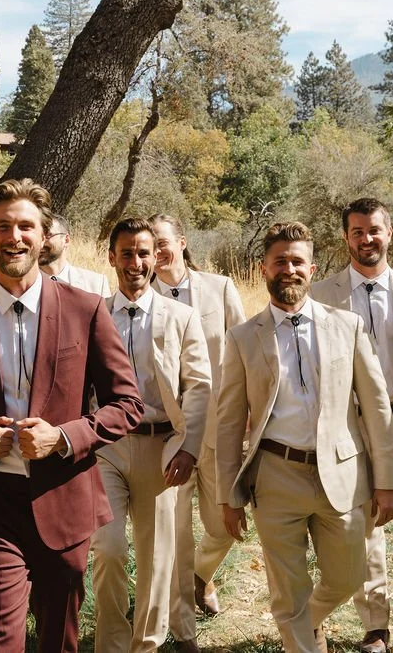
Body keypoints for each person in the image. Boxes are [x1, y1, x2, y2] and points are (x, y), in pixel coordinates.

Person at [0, 178, 143, 652]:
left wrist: (63, 437)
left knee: (58, 641)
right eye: (3, 227)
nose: (14, 236)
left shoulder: (86, 310)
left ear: (44, 237)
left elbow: (127, 404)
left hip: (64, 497)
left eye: (25, 226)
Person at [216, 221, 393, 652]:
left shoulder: (347, 326)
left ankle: (304, 622)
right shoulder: (243, 338)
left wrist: (387, 480)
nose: (289, 269)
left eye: (297, 261)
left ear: (312, 268)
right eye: (280, 261)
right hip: (275, 476)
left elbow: (375, 408)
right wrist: (229, 493)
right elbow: (228, 421)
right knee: (288, 591)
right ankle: (299, 637)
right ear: (263, 268)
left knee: (348, 576)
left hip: (341, 473)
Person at [311, 199, 393, 653]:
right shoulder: (323, 295)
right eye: (358, 231)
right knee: (368, 526)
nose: (367, 239)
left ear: (389, 234)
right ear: (346, 237)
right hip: (354, 428)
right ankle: (375, 624)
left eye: (375, 230)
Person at [91, 218, 212, 653]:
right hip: (106, 447)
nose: (136, 262)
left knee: (157, 559)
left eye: (144, 253)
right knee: (107, 548)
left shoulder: (181, 317)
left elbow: (199, 387)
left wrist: (190, 448)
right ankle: (111, 644)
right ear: (112, 258)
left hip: (164, 447)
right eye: (127, 253)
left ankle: (146, 644)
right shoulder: (93, 314)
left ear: (155, 257)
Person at [148, 213, 246, 631]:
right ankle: (179, 618)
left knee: (226, 525)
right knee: (177, 532)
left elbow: (246, 352)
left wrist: (249, 417)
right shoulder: (142, 298)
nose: (157, 251)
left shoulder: (220, 288)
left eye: (163, 241)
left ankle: (200, 575)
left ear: (182, 241)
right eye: (149, 244)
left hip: (221, 427)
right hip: (167, 436)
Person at [39, 213, 112, 296]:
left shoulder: (96, 285)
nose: (40, 243)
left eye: (48, 236)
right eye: (37, 236)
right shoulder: (23, 285)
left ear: (66, 240)